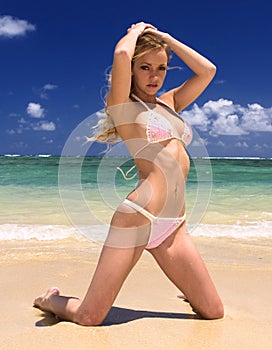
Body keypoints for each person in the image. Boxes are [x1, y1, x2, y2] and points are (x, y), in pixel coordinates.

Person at [33, 22, 224, 325]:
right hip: (138, 217)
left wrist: (167, 39)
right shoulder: (123, 105)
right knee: (89, 317)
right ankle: (50, 299)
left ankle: (190, 288)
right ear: (133, 69)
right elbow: (122, 52)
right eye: (145, 67)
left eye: (161, 68)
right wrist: (136, 32)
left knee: (214, 312)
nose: (154, 76)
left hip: (173, 227)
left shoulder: (171, 103)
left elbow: (208, 71)